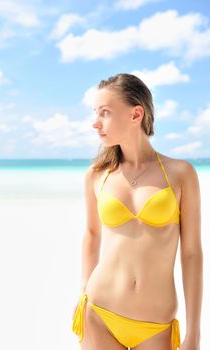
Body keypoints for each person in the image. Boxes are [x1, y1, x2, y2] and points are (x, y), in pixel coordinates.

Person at [71, 73, 203, 350]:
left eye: (105, 113)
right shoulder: (97, 176)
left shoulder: (180, 173)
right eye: (96, 113)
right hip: (99, 314)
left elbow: (192, 253)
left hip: (156, 326)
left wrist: (194, 332)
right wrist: (82, 292)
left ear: (136, 114)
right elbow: (91, 235)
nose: (95, 123)